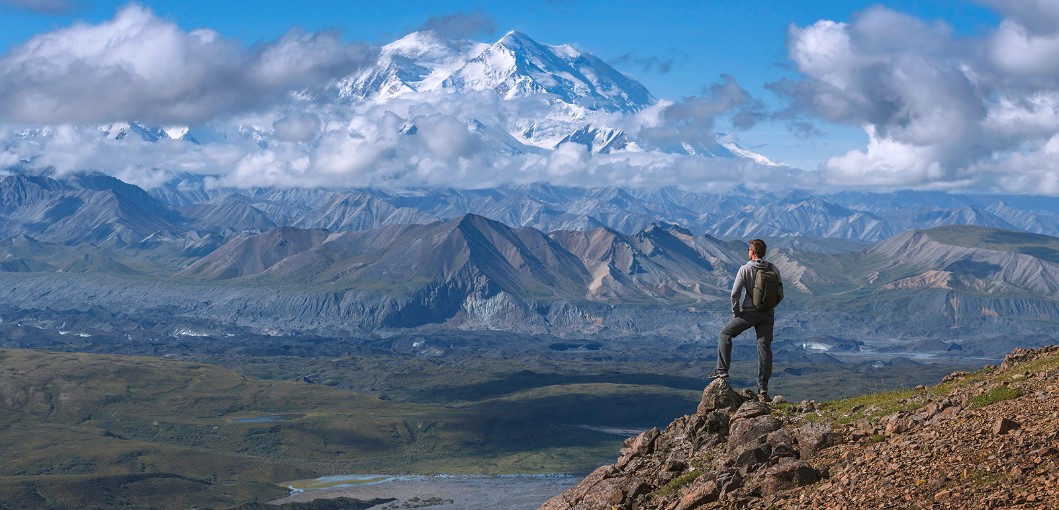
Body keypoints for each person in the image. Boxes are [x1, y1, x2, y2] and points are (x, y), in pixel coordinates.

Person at [711, 238, 782, 402]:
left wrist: (736, 312)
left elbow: (734, 294)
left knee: (725, 334)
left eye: (749, 249)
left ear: (752, 251)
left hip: (749, 313)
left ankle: (722, 370)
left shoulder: (745, 269)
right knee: (764, 348)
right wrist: (771, 307)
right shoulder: (774, 268)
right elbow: (780, 293)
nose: (748, 252)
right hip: (768, 314)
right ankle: (763, 389)